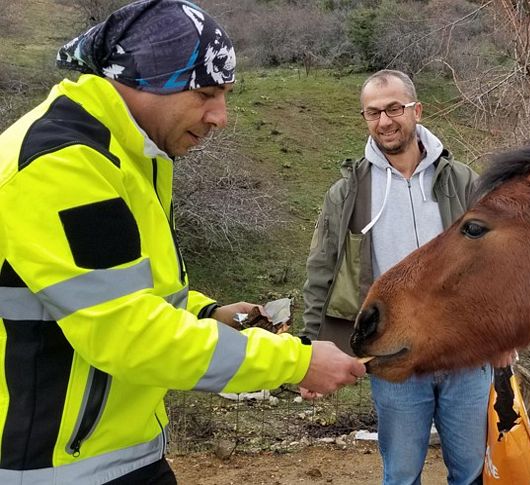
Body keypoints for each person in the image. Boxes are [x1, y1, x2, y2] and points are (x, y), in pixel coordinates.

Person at [0, 1, 364, 483]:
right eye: (207, 93)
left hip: (117, 453)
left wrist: (205, 313)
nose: (220, 117)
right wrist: (295, 362)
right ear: (146, 79)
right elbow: (129, 333)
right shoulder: (63, 164)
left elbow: (120, 292)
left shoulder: (130, 153)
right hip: (57, 467)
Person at [302, 69, 513, 485]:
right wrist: (310, 350)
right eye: (373, 113)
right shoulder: (348, 193)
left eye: (394, 108)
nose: (385, 121)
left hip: (464, 353)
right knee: (400, 474)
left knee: (470, 470)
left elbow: (499, 265)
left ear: (416, 110)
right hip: (393, 358)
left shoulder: (462, 180)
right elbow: (321, 270)